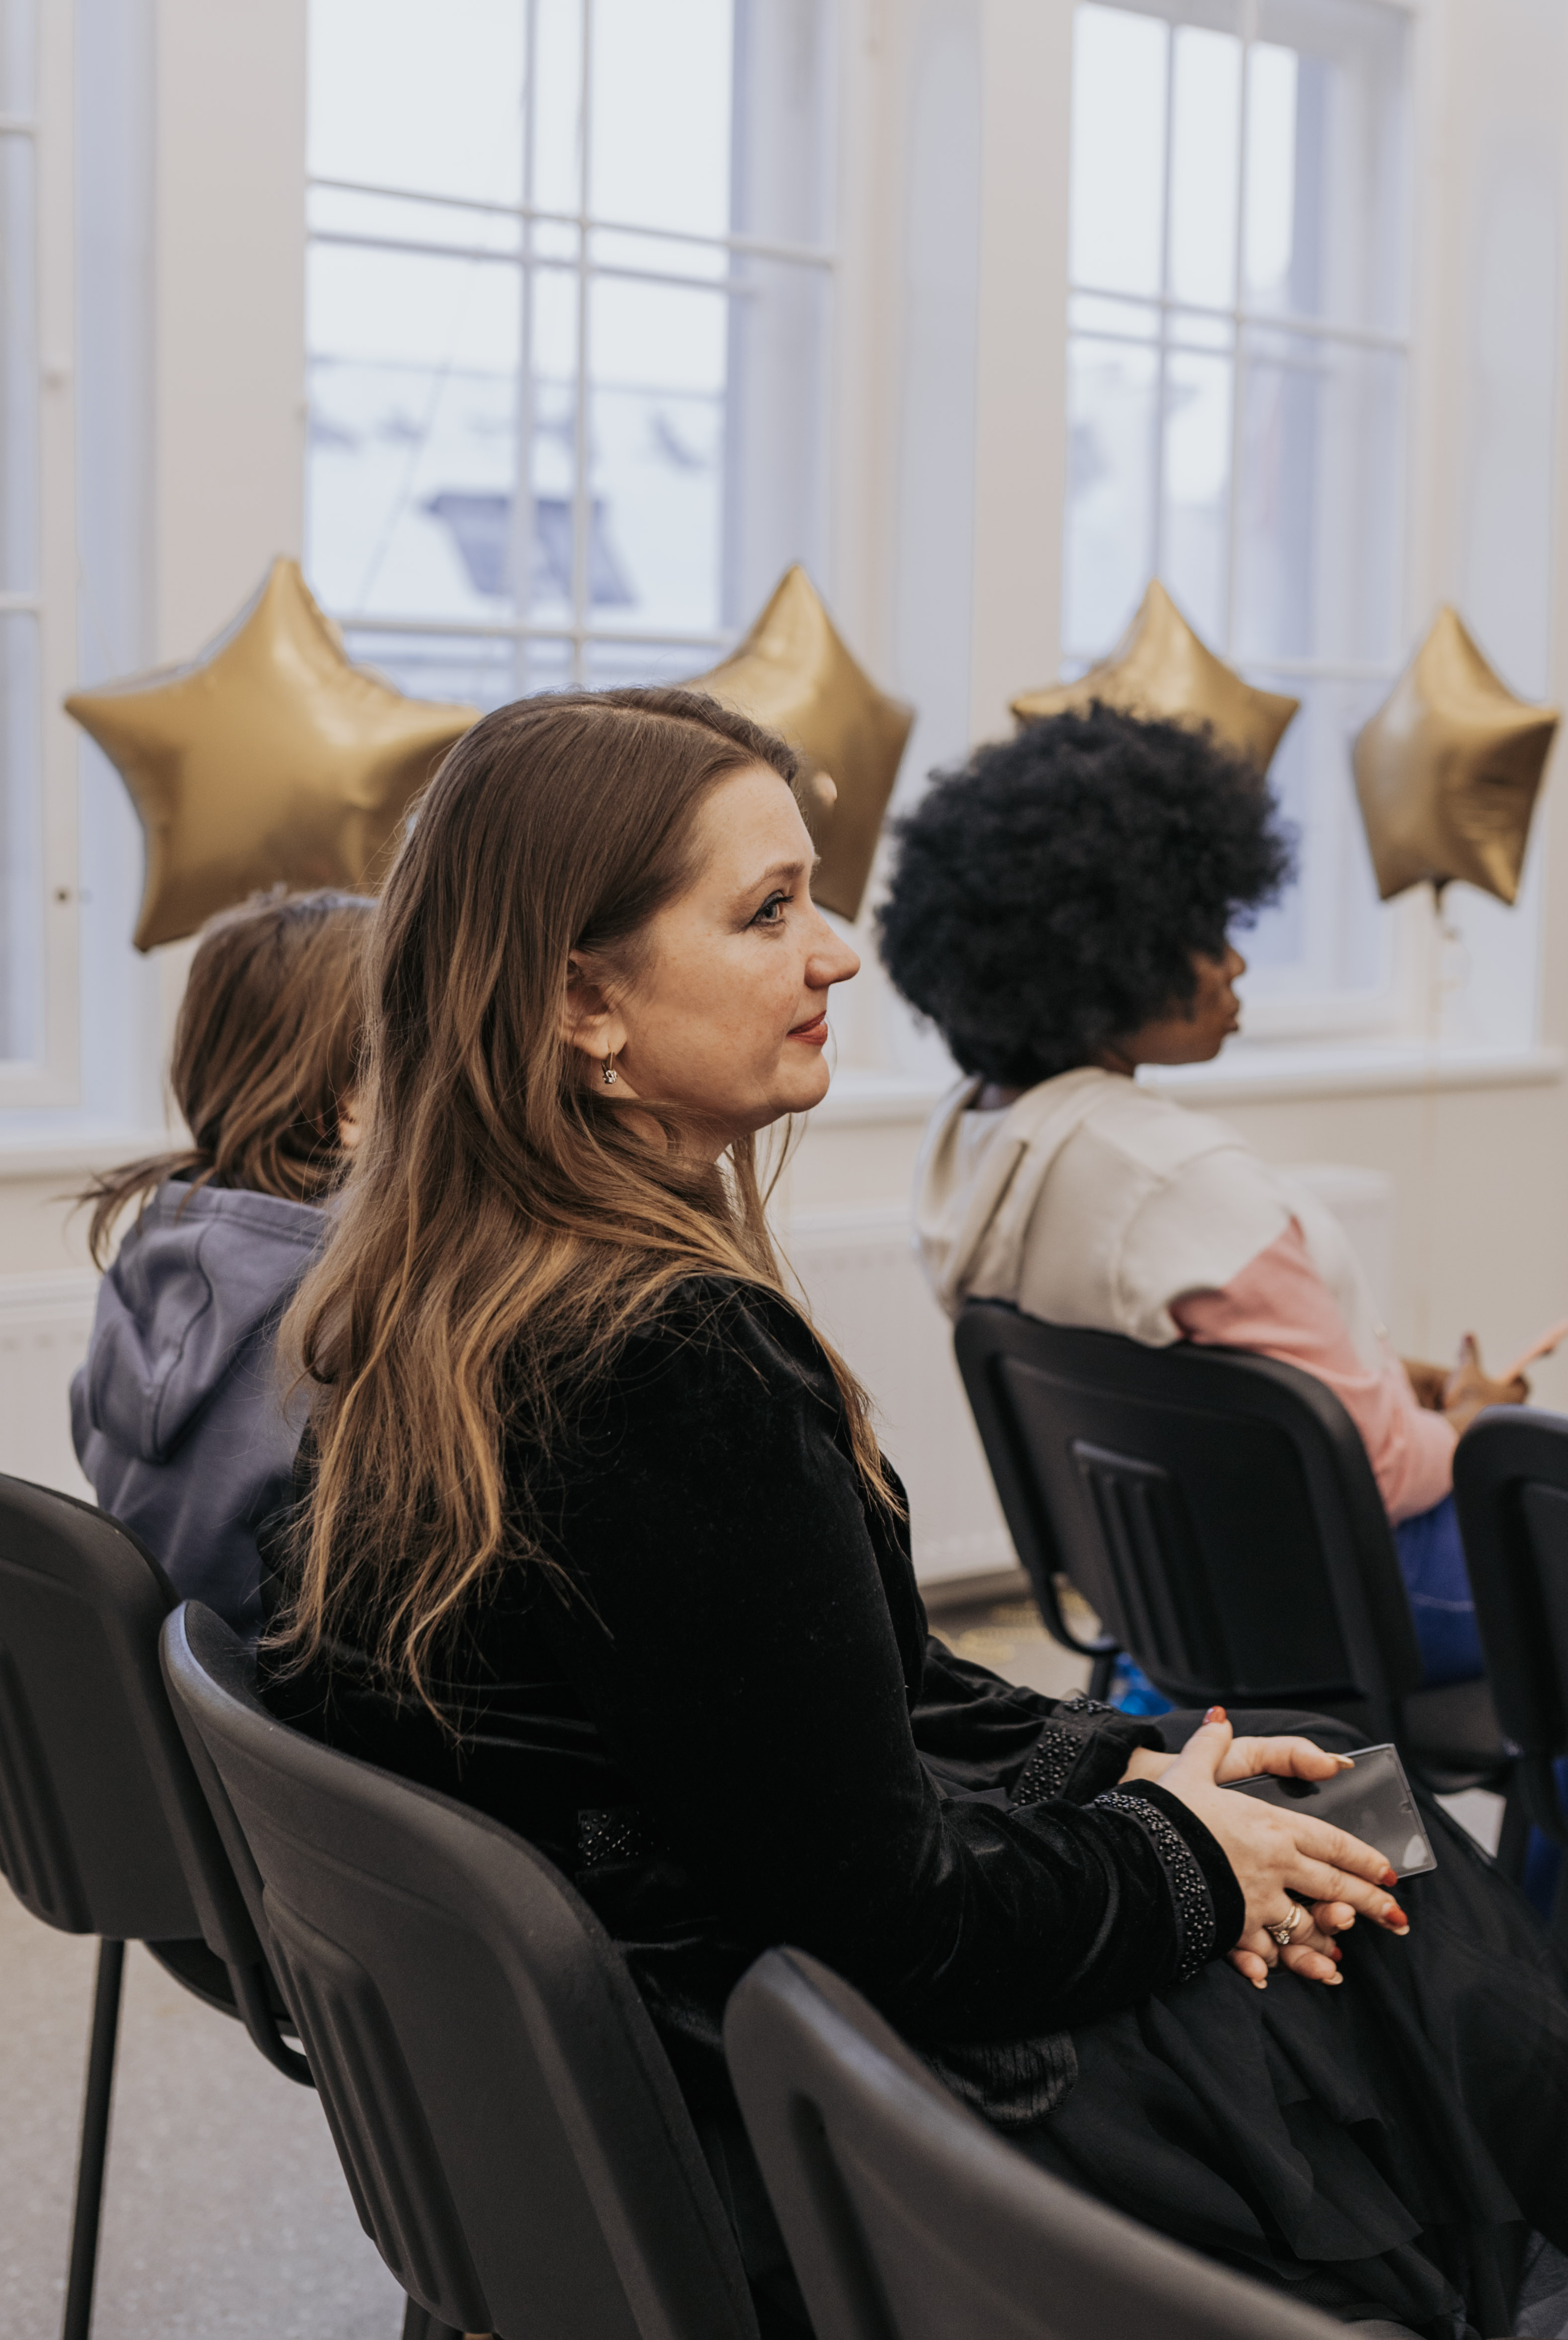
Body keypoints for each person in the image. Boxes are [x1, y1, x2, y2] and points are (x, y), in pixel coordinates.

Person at [259, 686, 1568, 2340]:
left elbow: (844, 1711)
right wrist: (1186, 1857)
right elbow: (899, 1923)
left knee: (1318, 1780)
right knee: (1389, 1857)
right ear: (584, 1000)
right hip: (805, 2113)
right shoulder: (662, 1365)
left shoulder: (445, 1310)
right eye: (767, 911)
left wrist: (1138, 1771)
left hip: (673, 2049)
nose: (836, 955)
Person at [880, 704, 1528, 1697]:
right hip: (1342, 1592)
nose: (1235, 964)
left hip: (1171, 1589)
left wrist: (1382, 1376)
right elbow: (1386, 1474)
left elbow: (1194, 1378)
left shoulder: (973, 1142)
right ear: (1108, 954)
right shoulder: (1177, 1183)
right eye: (1206, 934)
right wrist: (1475, 1425)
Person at [72, 888, 372, 1634]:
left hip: (159, 1686)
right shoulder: (349, 1305)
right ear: (350, 1107)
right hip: (266, 1699)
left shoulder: (153, 1244)